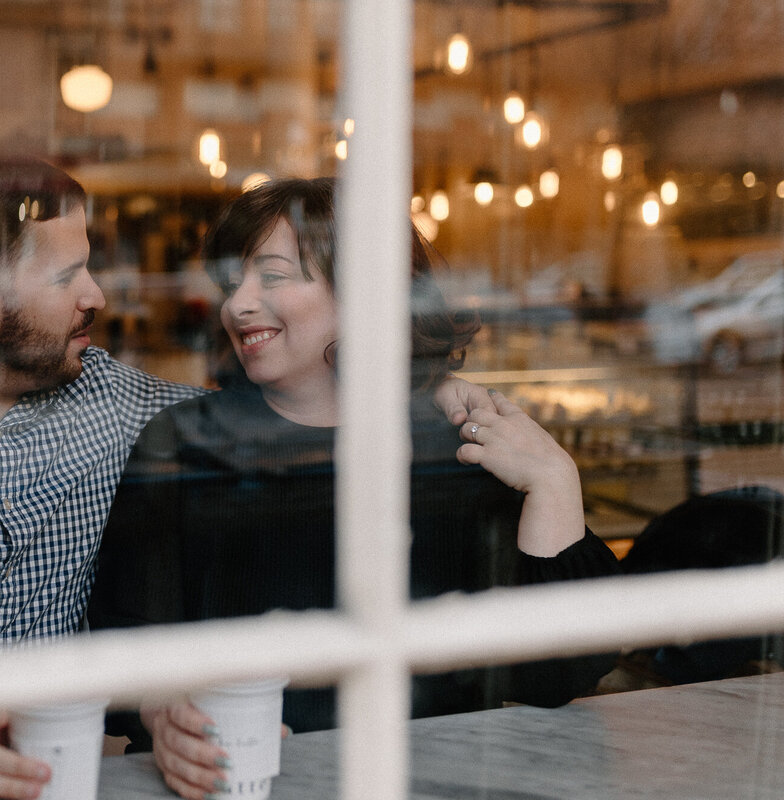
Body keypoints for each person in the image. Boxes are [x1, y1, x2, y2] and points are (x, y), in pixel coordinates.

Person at [0, 158, 494, 799]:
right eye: (67, 277)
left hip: (56, 776)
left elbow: (273, 408)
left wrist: (421, 390)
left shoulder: (110, 400)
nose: (97, 295)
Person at [87, 177, 621, 800]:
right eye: (233, 283)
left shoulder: (458, 447)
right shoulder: (184, 440)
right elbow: (126, 640)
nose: (237, 305)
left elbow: (559, 675)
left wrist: (556, 484)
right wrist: (165, 715)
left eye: (275, 276)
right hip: (233, 784)